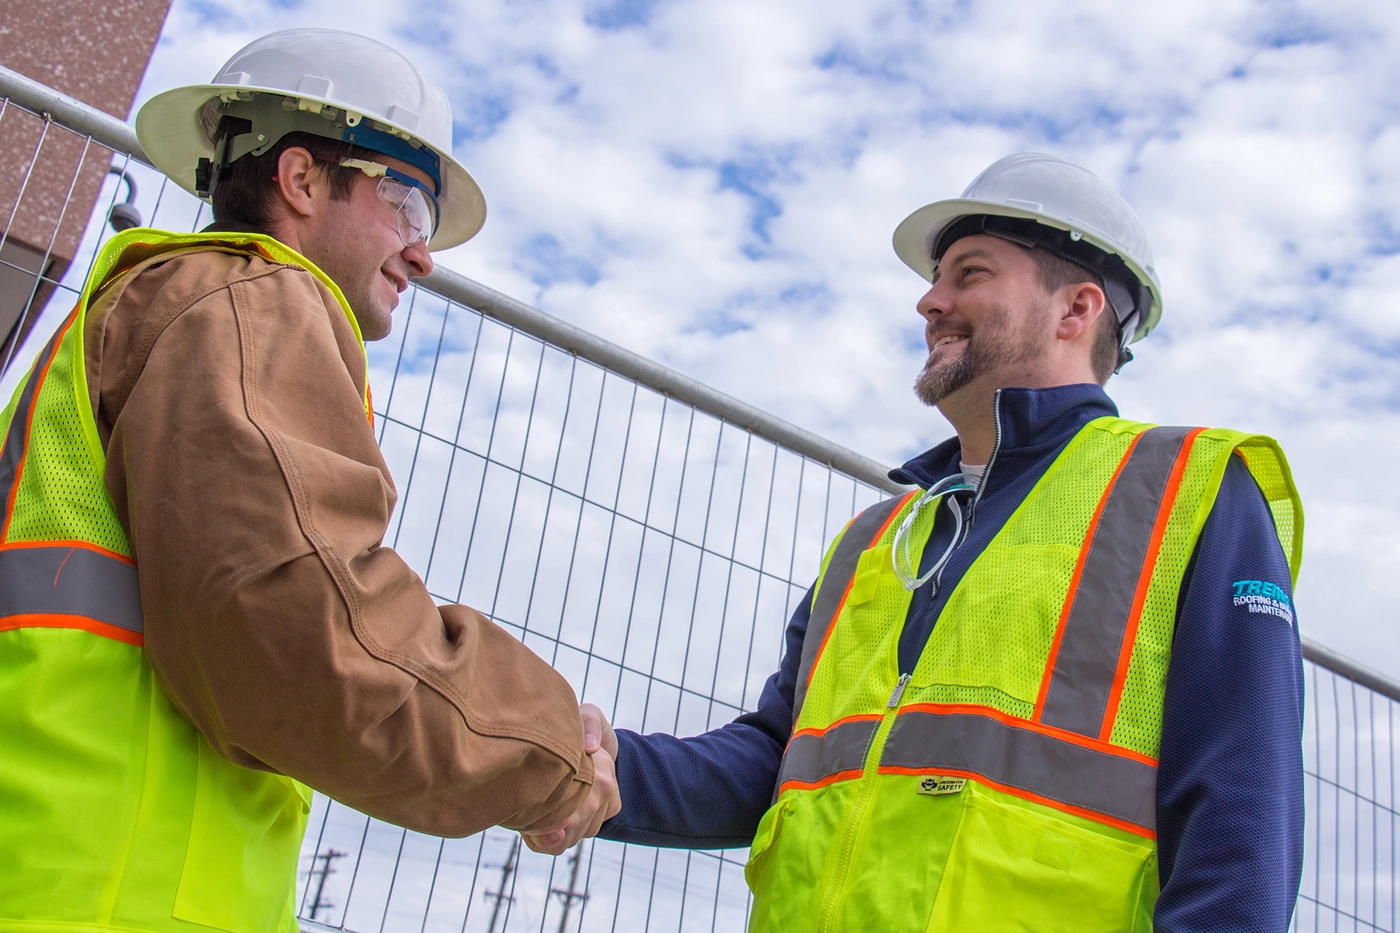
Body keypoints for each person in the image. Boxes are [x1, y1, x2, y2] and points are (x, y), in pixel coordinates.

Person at [545, 153, 1305, 932]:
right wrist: (608, 765)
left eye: (969, 274)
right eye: (937, 279)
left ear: (1076, 309)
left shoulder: (1189, 492)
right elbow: (776, 759)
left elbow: (1241, 821)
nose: (929, 301)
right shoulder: (876, 540)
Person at [0, 29, 616, 932]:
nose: (423, 254)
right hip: (100, 897)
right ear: (300, 180)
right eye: (408, 206)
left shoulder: (143, 310)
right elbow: (310, 634)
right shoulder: (245, 302)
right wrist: (559, 753)